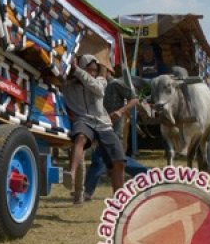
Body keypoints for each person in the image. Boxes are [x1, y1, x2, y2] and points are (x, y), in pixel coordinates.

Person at [61, 54, 126, 204]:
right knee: (80, 138)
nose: (92, 73)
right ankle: (70, 174)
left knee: (119, 161)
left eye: (95, 70)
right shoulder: (68, 85)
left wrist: (77, 70)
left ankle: (120, 201)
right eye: (89, 70)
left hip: (103, 123)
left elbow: (97, 89)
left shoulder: (100, 81)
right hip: (83, 120)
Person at [83, 68, 148, 200]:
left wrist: (121, 111)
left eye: (99, 71)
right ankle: (147, 174)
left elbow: (135, 99)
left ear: (108, 72)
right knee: (115, 159)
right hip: (101, 127)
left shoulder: (115, 84)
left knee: (100, 158)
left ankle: (87, 192)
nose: (96, 74)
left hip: (113, 129)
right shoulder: (95, 87)